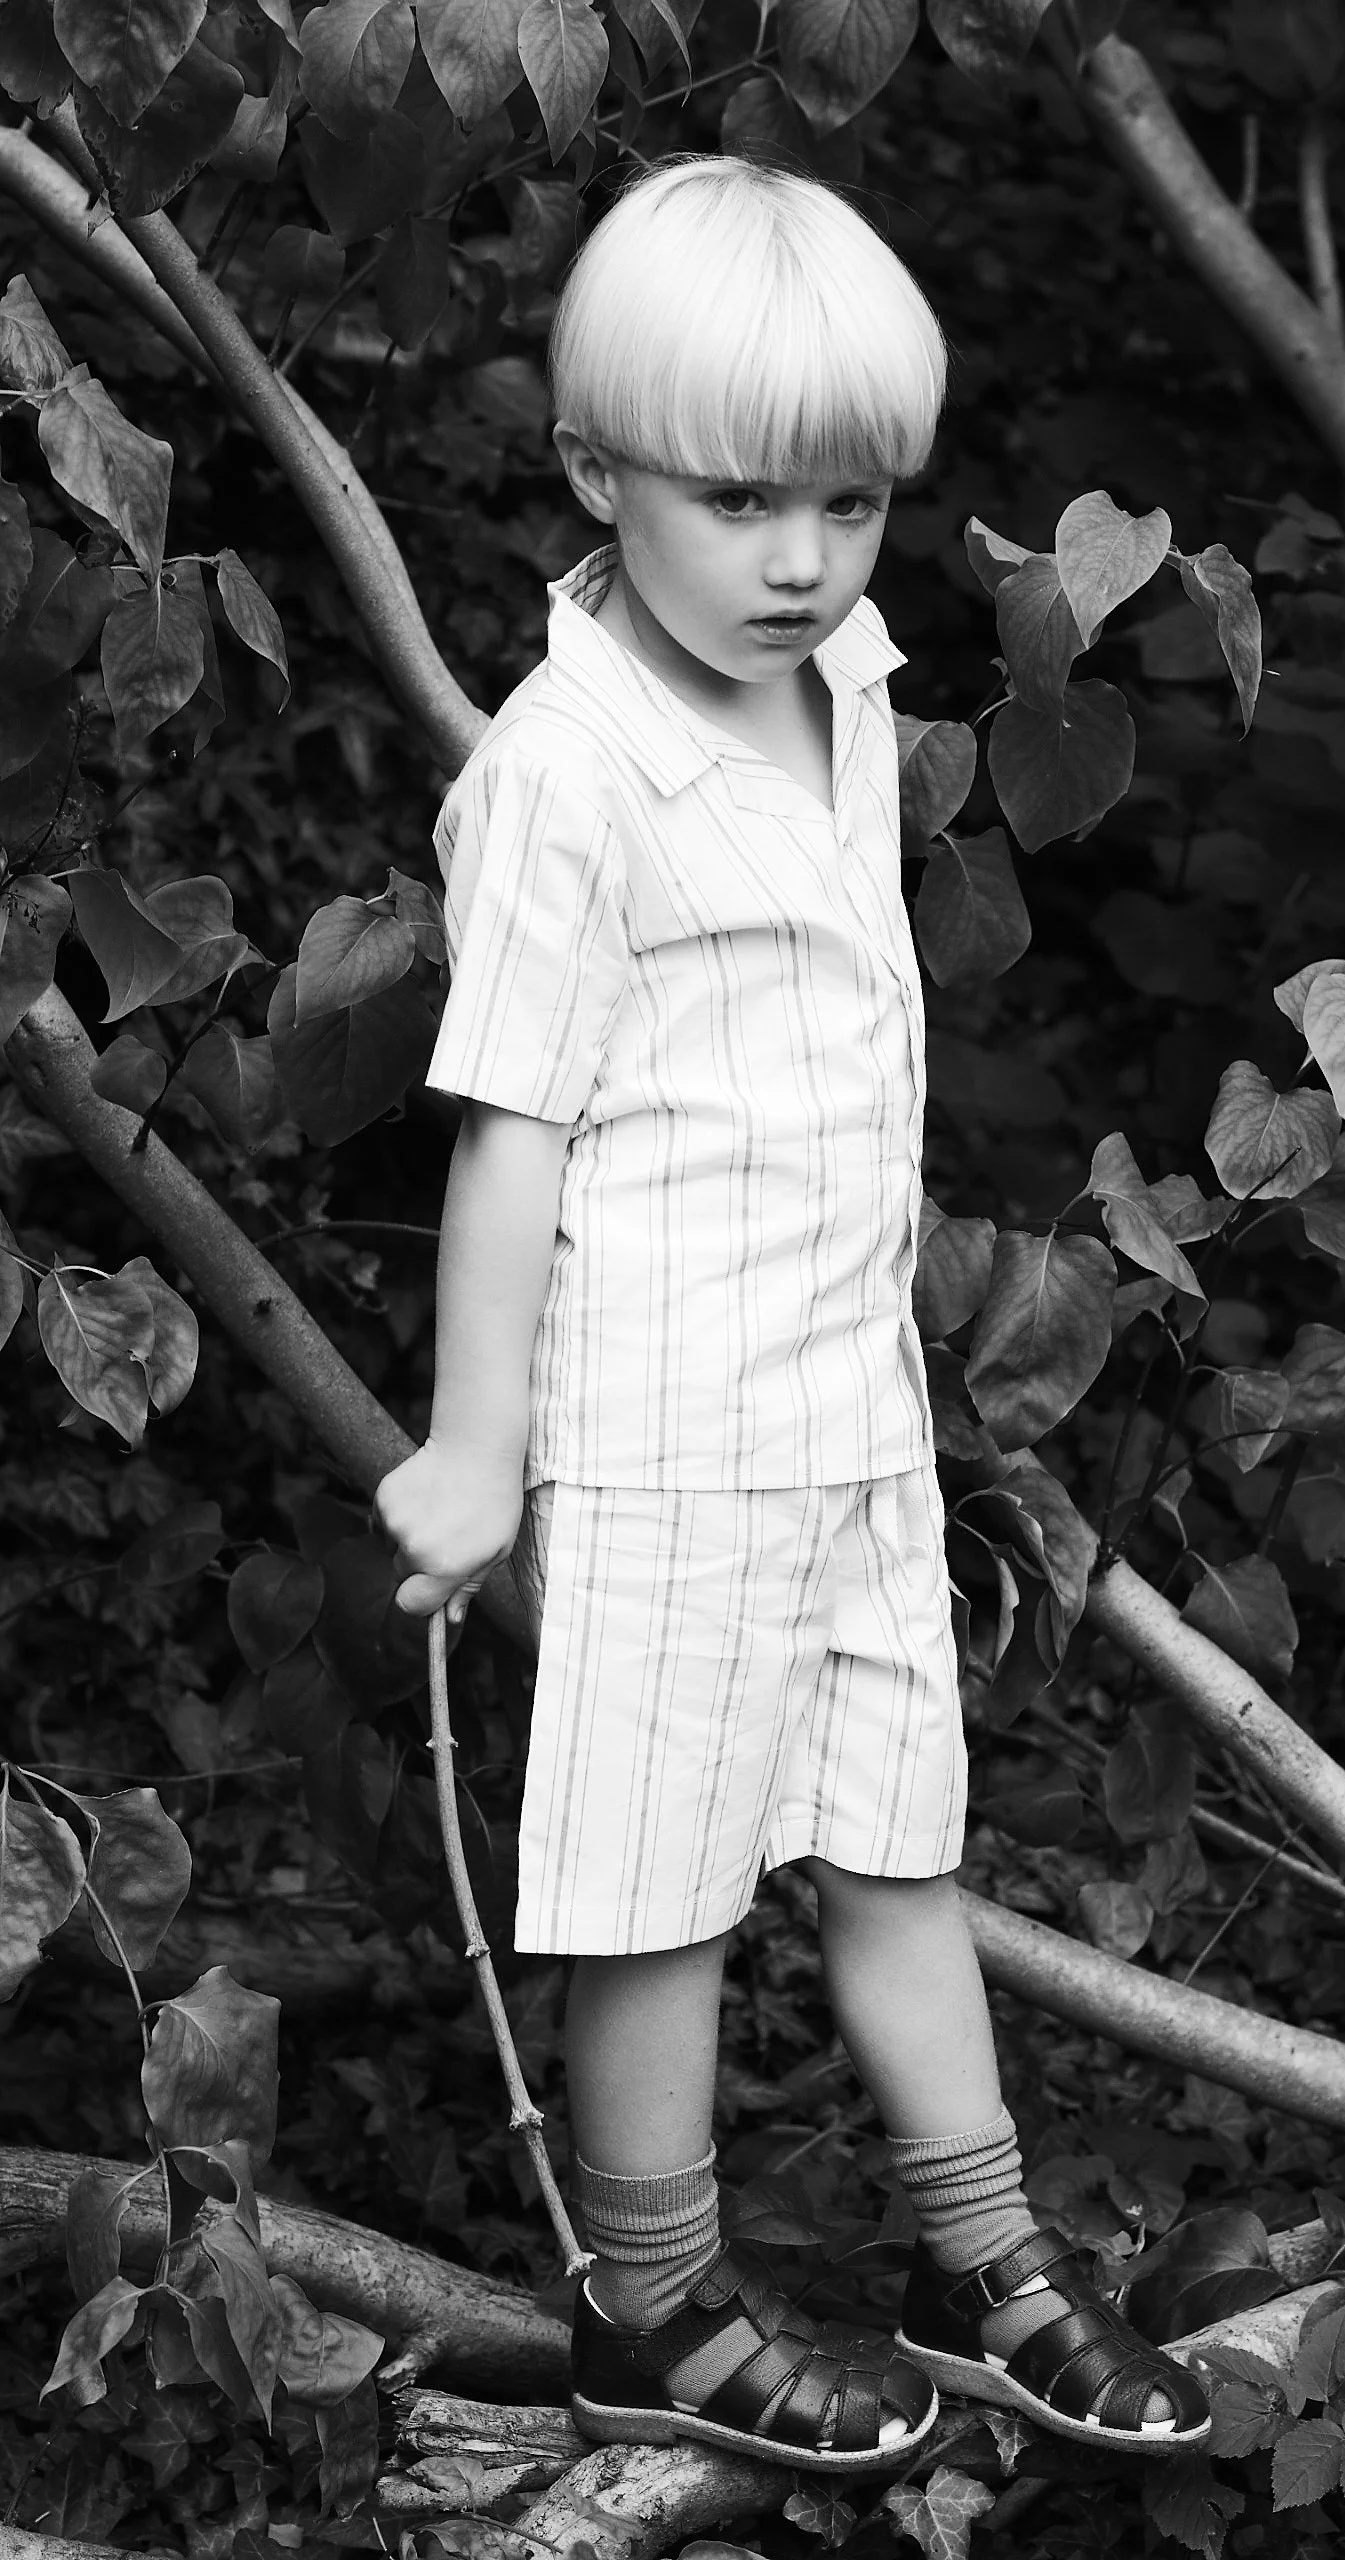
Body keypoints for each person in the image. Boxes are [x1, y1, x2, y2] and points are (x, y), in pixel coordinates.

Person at [375, 153, 1209, 2474]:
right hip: (660, 1431)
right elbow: (510, 1128)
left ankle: (984, 2260)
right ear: (592, 473)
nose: (802, 558)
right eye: (739, 500)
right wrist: (474, 1442)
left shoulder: (837, 684)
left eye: (850, 502)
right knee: (656, 1885)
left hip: (845, 1411)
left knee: (894, 1837)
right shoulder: (565, 780)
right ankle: (648, 2298)